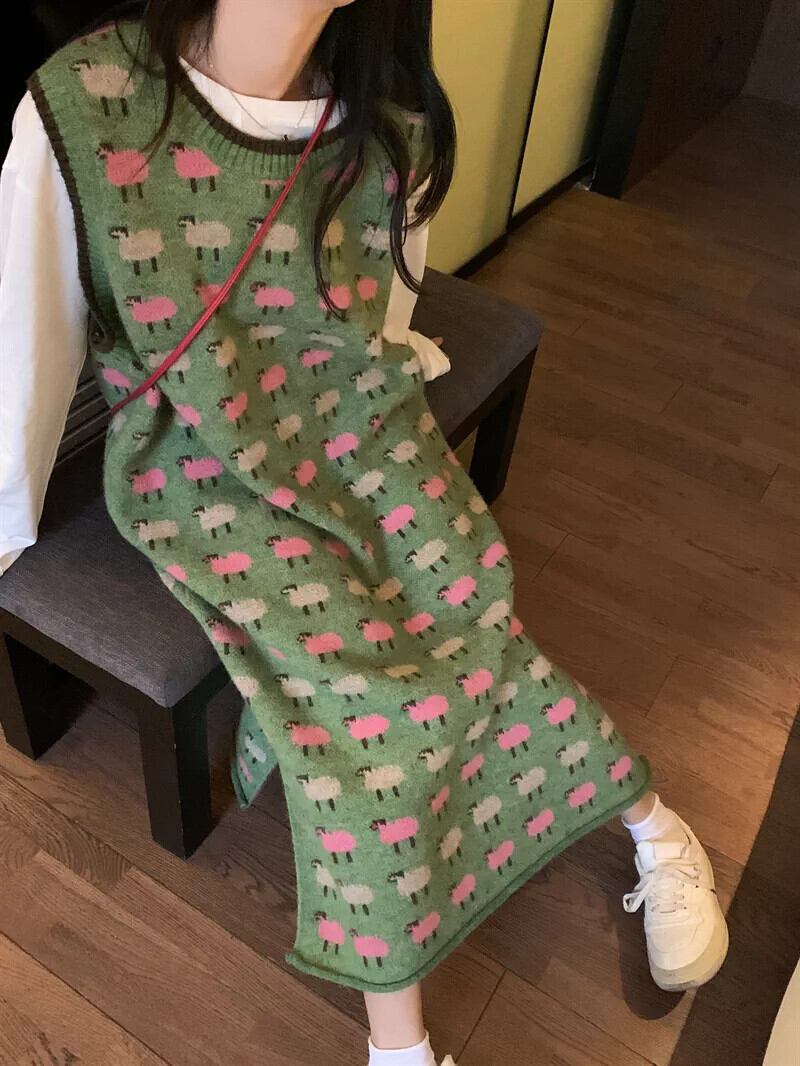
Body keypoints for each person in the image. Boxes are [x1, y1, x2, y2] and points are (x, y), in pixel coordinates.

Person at [0, 2, 729, 1063]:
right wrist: (7, 519)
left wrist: (391, 376)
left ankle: (646, 816)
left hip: (361, 429)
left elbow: (380, 307)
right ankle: (402, 1042)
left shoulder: (387, 118)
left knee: (472, 621)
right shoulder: (83, 105)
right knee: (369, 705)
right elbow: (27, 347)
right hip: (204, 466)